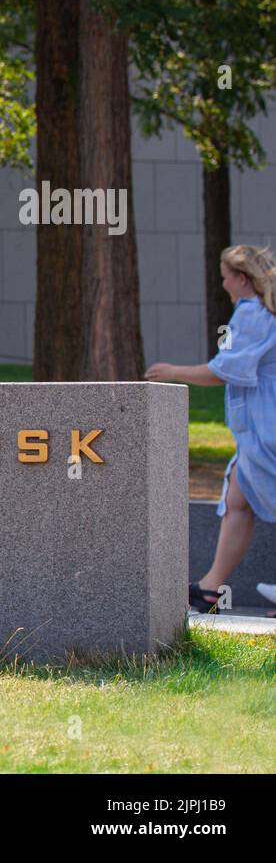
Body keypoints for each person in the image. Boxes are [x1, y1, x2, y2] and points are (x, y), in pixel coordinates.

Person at [146, 245, 276, 616]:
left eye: (224, 277)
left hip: (264, 427)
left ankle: (210, 588)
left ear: (241, 279)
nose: (223, 285)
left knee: (242, 500)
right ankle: (210, 588)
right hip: (259, 426)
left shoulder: (252, 315)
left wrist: (173, 372)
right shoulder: (261, 312)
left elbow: (225, 370)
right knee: (238, 500)